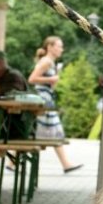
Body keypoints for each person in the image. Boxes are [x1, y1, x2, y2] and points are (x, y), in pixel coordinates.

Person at [27, 36, 81, 174]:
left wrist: (53, 80)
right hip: (43, 101)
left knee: (43, 132)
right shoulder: (46, 61)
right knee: (52, 131)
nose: (61, 49)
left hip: (46, 100)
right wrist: (52, 78)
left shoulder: (50, 62)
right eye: (59, 46)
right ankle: (66, 164)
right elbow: (32, 79)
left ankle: (12, 161)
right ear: (50, 47)